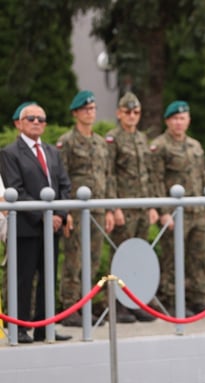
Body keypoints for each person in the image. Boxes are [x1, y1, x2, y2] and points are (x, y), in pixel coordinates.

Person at [0, 102, 72, 343]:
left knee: (49, 278)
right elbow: (15, 190)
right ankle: (19, 327)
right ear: (20, 123)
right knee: (23, 279)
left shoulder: (53, 152)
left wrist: (59, 215)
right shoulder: (10, 153)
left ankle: (45, 326)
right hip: (26, 227)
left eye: (41, 119)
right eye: (30, 118)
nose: (36, 122)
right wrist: (44, 216)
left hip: (52, 226)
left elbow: (64, 185)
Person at [57, 90, 120, 326]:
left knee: (93, 259)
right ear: (75, 113)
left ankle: (86, 304)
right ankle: (70, 307)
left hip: (98, 209)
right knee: (74, 259)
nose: (90, 113)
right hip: (76, 210)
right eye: (85, 110)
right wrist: (65, 211)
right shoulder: (68, 141)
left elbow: (108, 176)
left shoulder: (100, 142)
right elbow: (61, 177)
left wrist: (110, 208)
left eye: (92, 109)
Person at [149, 100, 205, 315]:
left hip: (198, 211)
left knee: (200, 258)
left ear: (188, 120)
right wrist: (164, 212)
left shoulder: (195, 145)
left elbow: (202, 176)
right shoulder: (159, 146)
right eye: (174, 119)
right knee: (172, 258)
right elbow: (155, 180)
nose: (178, 122)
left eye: (182, 118)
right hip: (175, 214)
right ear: (167, 121)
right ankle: (171, 301)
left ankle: (200, 299)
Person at [105, 91, 159, 322]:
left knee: (139, 255)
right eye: (127, 112)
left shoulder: (141, 139)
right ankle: (119, 305)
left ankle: (136, 301)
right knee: (121, 255)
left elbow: (148, 174)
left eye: (136, 112)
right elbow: (109, 174)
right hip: (123, 208)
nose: (131, 116)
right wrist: (114, 206)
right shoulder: (112, 138)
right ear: (119, 113)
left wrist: (152, 205)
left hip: (142, 207)